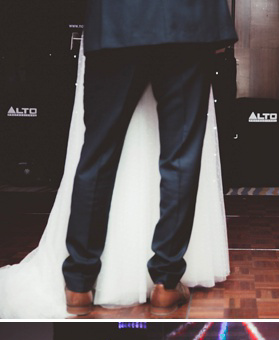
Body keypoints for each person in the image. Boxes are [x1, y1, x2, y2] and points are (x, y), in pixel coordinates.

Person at [0, 1, 234, 319]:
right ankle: (166, 283)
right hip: (189, 22)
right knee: (181, 158)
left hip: (116, 20)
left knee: (97, 156)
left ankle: (79, 284)